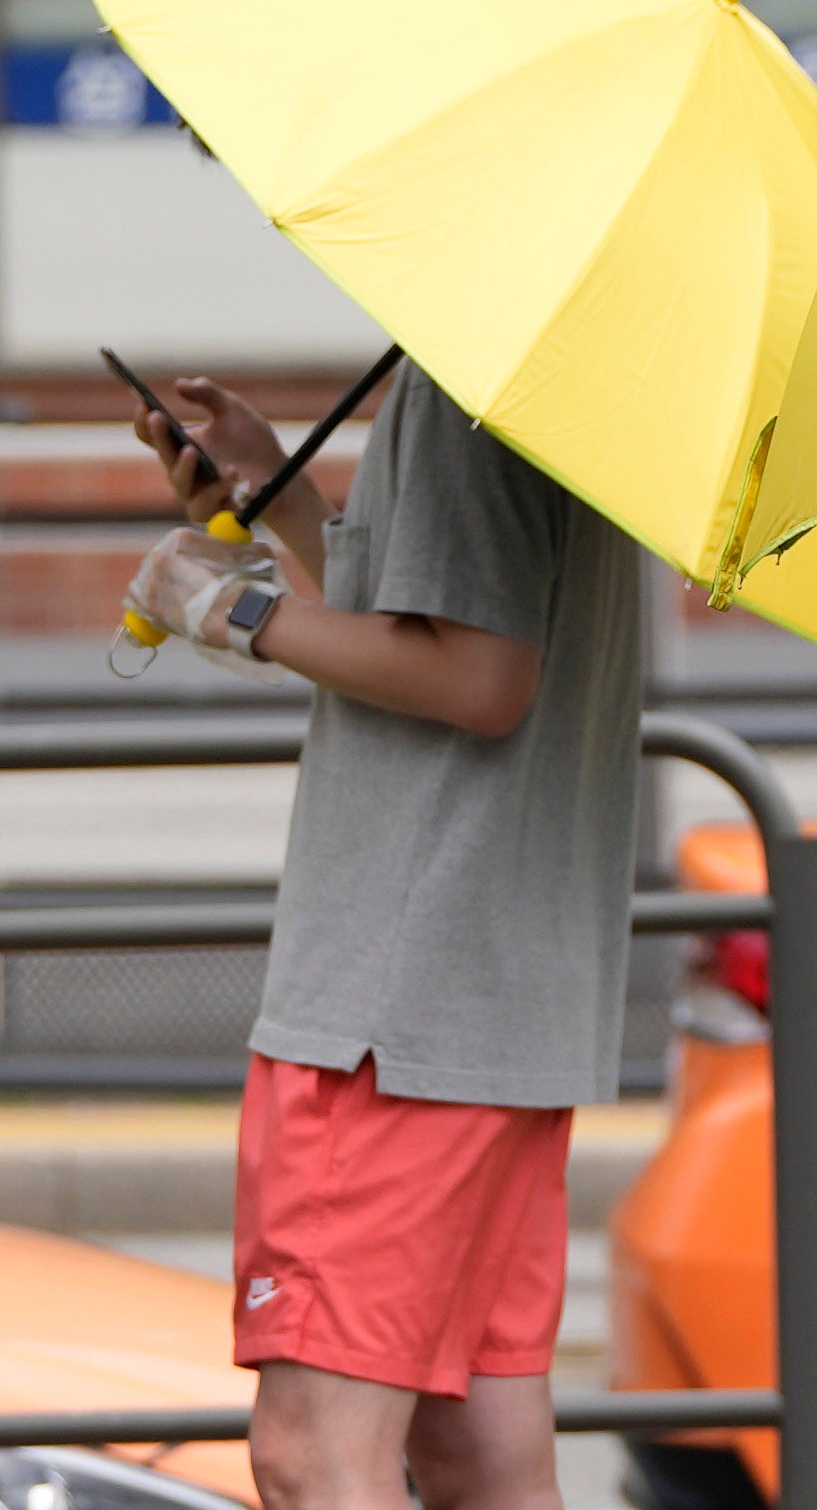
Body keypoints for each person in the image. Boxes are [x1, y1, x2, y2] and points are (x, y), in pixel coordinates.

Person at [122, 359, 642, 1510]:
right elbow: (463, 621)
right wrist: (285, 500)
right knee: (480, 1457)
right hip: (498, 1000)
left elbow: (481, 676)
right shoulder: (566, 376)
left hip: (393, 1012)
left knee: (316, 1451)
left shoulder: (473, 384)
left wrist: (235, 608)